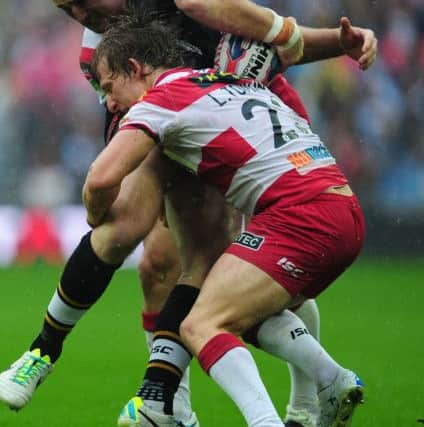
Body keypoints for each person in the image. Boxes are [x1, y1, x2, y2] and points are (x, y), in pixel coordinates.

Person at [0, 1, 377, 426]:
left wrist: (335, 41)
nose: (78, 13)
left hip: (247, 149)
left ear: (134, 66)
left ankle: (291, 400)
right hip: (300, 178)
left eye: (82, 1)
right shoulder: (100, 55)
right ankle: (67, 360)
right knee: (159, 258)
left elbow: (276, 41)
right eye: (65, 8)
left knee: (212, 292)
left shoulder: (185, 23)